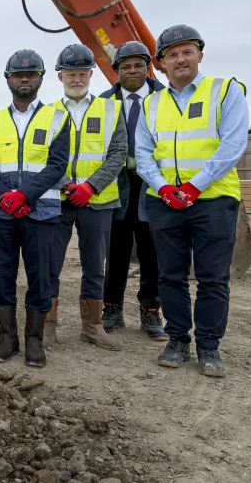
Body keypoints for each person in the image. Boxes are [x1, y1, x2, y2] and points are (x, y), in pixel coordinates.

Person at [136, 25, 248, 377]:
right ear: (162, 64)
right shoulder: (152, 103)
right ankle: (178, 339)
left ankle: (209, 345)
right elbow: (143, 153)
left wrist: (196, 186)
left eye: (187, 52)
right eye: (172, 54)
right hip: (165, 202)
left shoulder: (225, 91)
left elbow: (232, 146)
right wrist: (163, 187)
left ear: (200, 55)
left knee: (213, 278)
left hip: (213, 200)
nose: (180, 59)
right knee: (170, 275)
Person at [0, 49, 69, 368]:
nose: (24, 78)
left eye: (30, 74)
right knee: (4, 276)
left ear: (41, 79)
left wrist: (23, 196)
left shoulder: (58, 118)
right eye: (18, 74)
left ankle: (34, 341)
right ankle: (7, 337)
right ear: (8, 80)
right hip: (2, 214)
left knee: (40, 278)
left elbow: (57, 165)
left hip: (41, 214)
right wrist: (5, 196)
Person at [47, 44, 127, 351]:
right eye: (71, 74)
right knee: (50, 264)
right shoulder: (49, 113)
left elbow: (118, 153)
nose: (76, 80)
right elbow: (44, 155)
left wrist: (90, 187)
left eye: (82, 74)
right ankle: (47, 326)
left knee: (95, 266)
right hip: (58, 199)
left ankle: (92, 327)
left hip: (98, 202)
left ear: (91, 75)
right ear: (61, 77)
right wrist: (68, 186)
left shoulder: (110, 109)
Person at [99, 41, 166, 340]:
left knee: (152, 250)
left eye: (138, 64)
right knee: (116, 249)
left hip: (155, 183)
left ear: (148, 67)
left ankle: (150, 310)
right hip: (118, 183)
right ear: (116, 71)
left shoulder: (166, 99)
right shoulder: (103, 103)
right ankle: (111, 307)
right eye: (125, 66)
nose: (132, 70)